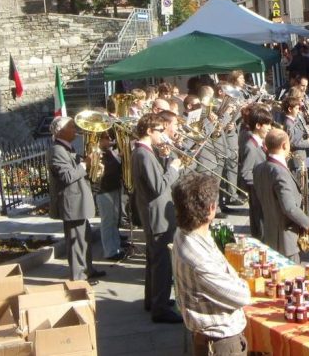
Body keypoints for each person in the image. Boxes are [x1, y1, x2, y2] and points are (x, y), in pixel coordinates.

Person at [172, 172, 251, 356]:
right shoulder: (198, 259)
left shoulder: (187, 231)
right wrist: (239, 280)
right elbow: (243, 296)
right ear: (211, 208)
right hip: (221, 343)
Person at [131, 113, 183, 323]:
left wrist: (163, 158)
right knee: (162, 262)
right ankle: (160, 308)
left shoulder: (143, 152)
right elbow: (158, 186)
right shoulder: (143, 154)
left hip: (153, 213)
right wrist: (173, 169)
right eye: (160, 131)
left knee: (154, 260)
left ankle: (152, 300)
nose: (163, 134)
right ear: (149, 131)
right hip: (157, 215)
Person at [46, 117, 105, 283]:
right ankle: (78, 278)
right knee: (76, 243)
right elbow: (66, 176)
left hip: (78, 201)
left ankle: (88, 270)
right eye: (72, 127)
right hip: (72, 203)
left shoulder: (67, 148)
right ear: (61, 131)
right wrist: (85, 164)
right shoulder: (57, 150)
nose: (76, 130)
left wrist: (95, 165)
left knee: (84, 239)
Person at [253, 129, 309, 263]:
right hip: (286, 240)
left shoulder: (259, 168)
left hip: (269, 233)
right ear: (285, 145)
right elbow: (289, 208)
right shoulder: (280, 172)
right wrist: (307, 222)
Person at [238, 106, 272, 239]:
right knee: (261, 230)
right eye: (267, 125)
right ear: (258, 125)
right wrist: (261, 183)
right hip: (258, 193)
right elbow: (245, 174)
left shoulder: (260, 142)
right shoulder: (250, 146)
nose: (270, 127)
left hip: (263, 192)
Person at [95, 130, 125, 261]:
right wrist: (120, 158)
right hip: (104, 190)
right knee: (107, 221)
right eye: (107, 138)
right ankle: (110, 251)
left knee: (114, 220)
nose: (110, 140)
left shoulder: (109, 151)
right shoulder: (97, 153)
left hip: (113, 187)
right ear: (100, 140)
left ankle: (116, 246)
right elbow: (105, 171)